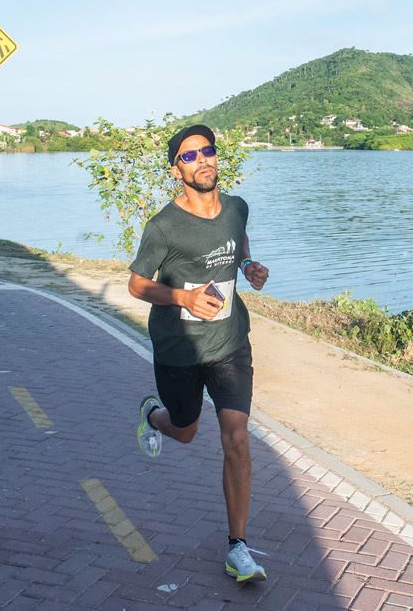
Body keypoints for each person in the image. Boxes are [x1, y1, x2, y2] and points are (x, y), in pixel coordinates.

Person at [128, 124, 270, 582]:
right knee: (186, 432)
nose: (203, 160)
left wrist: (247, 264)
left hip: (229, 342)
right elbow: (136, 285)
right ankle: (153, 417)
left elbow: (240, 235)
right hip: (178, 348)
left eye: (207, 151)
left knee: (237, 439)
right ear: (177, 170)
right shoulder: (164, 226)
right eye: (190, 156)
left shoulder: (236, 208)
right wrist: (184, 299)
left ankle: (238, 547)